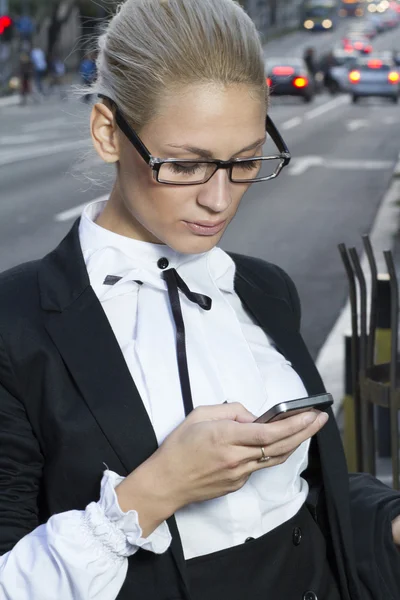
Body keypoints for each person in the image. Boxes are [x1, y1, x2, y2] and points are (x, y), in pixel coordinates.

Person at [0, 0, 399, 599]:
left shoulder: (265, 288)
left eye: (244, 162)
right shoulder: (17, 321)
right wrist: (157, 490)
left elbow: (300, 500)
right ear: (108, 130)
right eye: (184, 165)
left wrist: (388, 519)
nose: (220, 200)